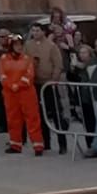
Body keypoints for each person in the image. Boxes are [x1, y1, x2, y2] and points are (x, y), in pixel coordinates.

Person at [25, 22, 67, 154]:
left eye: (38, 30)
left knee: (56, 114)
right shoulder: (28, 45)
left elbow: (58, 64)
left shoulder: (51, 46)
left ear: (43, 32)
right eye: (33, 31)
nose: (35, 33)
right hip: (34, 84)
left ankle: (62, 144)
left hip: (48, 84)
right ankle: (45, 142)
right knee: (39, 114)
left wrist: (53, 80)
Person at [0, 35, 44, 155]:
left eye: (20, 44)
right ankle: (15, 145)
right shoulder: (3, 59)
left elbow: (29, 74)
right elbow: (2, 75)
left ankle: (38, 146)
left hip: (26, 93)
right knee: (13, 119)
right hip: (10, 94)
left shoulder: (26, 59)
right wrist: (10, 85)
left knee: (32, 119)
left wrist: (18, 85)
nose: (19, 47)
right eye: (16, 45)